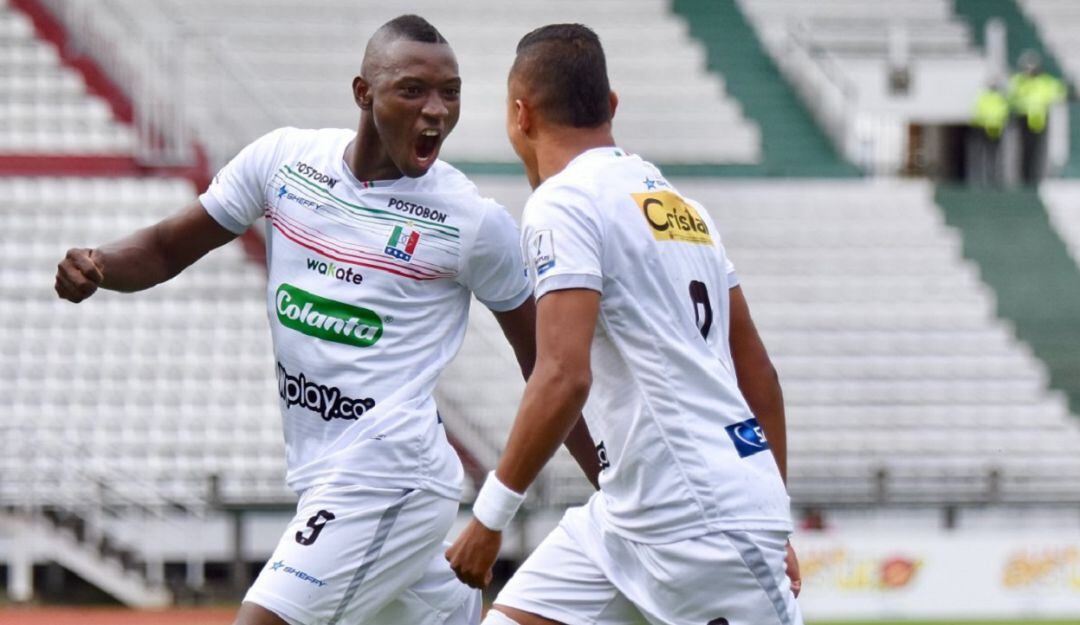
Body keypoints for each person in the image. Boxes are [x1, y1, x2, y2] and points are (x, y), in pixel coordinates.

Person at [53, 15, 599, 625]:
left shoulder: (472, 223)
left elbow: (546, 362)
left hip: (392, 474)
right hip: (323, 474)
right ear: (364, 93)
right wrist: (100, 264)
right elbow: (163, 248)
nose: (436, 110)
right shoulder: (284, 161)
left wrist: (611, 482)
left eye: (451, 93)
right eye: (413, 90)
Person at [446, 24, 802, 625]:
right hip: (628, 514)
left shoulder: (564, 202)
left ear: (521, 115)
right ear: (610, 106)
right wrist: (771, 511)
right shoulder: (684, 209)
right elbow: (759, 374)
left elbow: (563, 375)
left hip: (699, 521)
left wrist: (489, 519)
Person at [1009, 50, 1067, 185]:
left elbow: (1059, 92)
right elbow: (1012, 97)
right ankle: (1024, 180)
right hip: (1023, 119)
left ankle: (1035, 179)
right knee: (1023, 151)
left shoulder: (1045, 82)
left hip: (1039, 120)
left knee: (1037, 152)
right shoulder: (1019, 81)